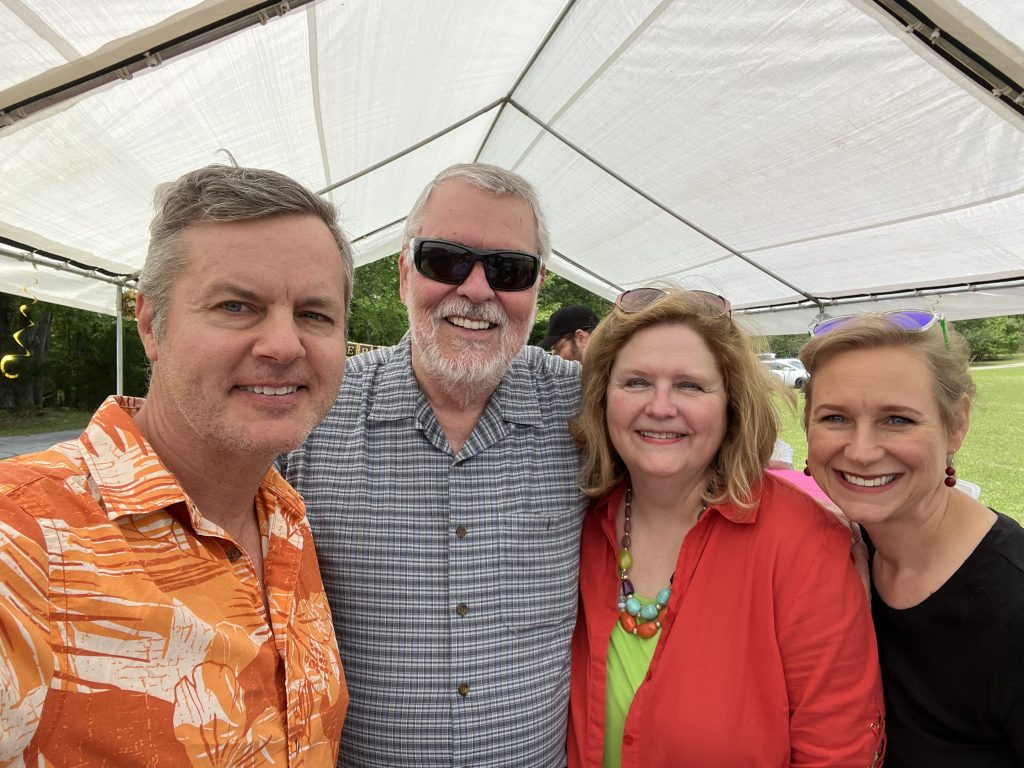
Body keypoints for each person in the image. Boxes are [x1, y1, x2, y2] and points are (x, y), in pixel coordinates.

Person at [0, 164, 353, 765]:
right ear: (150, 325)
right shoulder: (22, 544)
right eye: (237, 305)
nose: (284, 345)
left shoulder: (286, 519)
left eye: (315, 314)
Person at [280, 163, 587, 767]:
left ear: (536, 287)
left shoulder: (587, 411)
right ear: (403, 272)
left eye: (508, 270)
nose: (476, 289)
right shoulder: (312, 410)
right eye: (445, 260)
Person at [568, 287, 885, 767]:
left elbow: (838, 750)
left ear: (732, 403)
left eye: (690, 386)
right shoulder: (579, 526)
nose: (660, 406)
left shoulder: (802, 543)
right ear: (602, 396)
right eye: (635, 382)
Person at [800, 310, 1024, 766]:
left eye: (898, 420)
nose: (861, 451)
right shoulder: (839, 551)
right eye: (835, 417)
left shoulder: (1013, 602)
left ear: (956, 425)